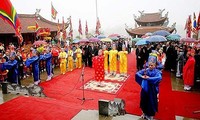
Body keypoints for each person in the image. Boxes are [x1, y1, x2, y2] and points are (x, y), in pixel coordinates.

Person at [135, 54, 162, 120]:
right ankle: (144, 113)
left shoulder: (157, 72)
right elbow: (137, 73)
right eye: (149, 65)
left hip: (152, 90)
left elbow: (159, 78)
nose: (150, 66)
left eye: (152, 65)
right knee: (144, 101)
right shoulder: (145, 70)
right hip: (145, 89)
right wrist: (142, 76)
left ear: (155, 65)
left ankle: (150, 116)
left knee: (151, 102)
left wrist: (149, 78)